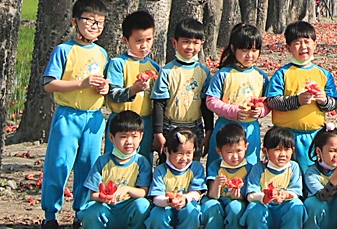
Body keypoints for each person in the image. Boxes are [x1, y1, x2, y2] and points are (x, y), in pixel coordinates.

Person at [40, 0, 112, 229]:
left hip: (93, 119)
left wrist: (104, 88)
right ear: (75, 21)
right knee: (59, 165)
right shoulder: (64, 50)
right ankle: (50, 217)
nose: (95, 26)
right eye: (89, 20)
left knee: (88, 168)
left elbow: (105, 84)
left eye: (100, 22)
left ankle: (81, 216)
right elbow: (50, 84)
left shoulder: (102, 54)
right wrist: (80, 83)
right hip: (68, 116)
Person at [264, 20, 337, 172]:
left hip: (315, 134)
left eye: (307, 42)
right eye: (297, 43)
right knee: (286, 173)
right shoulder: (282, 73)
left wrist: (324, 100)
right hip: (286, 136)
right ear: (288, 47)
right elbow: (272, 101)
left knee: (310, 173)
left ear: (315, 44)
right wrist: (296, 101)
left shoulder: (323, 74)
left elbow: (333, 103)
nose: (303, 47)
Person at [78, 110, 151, 229]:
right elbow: (92, 194)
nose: (129, 142)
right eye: (123, 137)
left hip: (128, 208)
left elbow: (144, 192)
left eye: (134, 136)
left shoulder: (142, 162)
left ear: (141, 137)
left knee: (143, 205)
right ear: (112, 138)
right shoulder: (103, 161)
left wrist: (127, 189)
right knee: (88, 212)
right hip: (107, 209)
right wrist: (104, 198)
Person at [205, 23, 268, 163]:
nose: (249, 55)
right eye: (244, 50)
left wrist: (261, 111)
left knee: (250, 166)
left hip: (251, 129)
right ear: (233, 48)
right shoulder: (223, 74)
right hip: (225, 128)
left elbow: (268, 102)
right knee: (220, 166)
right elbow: (211, 101)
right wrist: (234, 111)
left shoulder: (261, 76)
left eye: (254, 50)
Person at [150, 17, 209, 152]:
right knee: (169, 163)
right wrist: (158, 133)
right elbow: (159, 104)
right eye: (185, 42)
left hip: (195, 126)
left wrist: (209, 131)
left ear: (201, 44)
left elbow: (206, 104)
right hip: (170, 126)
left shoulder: (203, 72)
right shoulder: (167, 71)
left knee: (192, 164)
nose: (190, 47)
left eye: (195, 43)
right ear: (175, 43)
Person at [105, 10, 159, 155]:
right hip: (121, 122)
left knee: (143, 163)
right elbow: (112, 94)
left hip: (145, 122)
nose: (144, 46)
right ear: (125, 40)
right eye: (138, 41)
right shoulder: (118, 63)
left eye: (148, 40)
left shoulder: (154, 67)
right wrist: (132, 91)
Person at [244, 125, 305, 229]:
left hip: (283, 210)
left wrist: (285, 195)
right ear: (265, 151)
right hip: (265, 210)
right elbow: (251, 194)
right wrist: (264, 197)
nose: (282, 154)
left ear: (293, 150)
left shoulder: (293, 167)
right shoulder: (258, 168)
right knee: (254, 207)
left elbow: (296, 191)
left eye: (287, 149)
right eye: (277, 149)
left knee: (297, 205)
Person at [145, 126, 206, 229]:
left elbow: (197, 192)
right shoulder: (161, 170)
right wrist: (167, 201)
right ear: (168, 151)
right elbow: (156, 197)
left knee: (192, 209)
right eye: (179, 153)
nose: (184, 158)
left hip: (185, 205)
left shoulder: (196, 168)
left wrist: (186, 198)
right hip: (166, 207)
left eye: (188, 153)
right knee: (157, 213)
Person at [201, 121, 251, 229]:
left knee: (236, 207)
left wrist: (239, 196)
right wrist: (217, 185)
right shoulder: (215, 167)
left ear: (246, 146)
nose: (235, 156)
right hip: (218, 198)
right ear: (219, 151)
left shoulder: (249, 168)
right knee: (210, 205)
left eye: (239, 151)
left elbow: (248, 195)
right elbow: (212, 195)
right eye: (229, 152)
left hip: (236, 199)